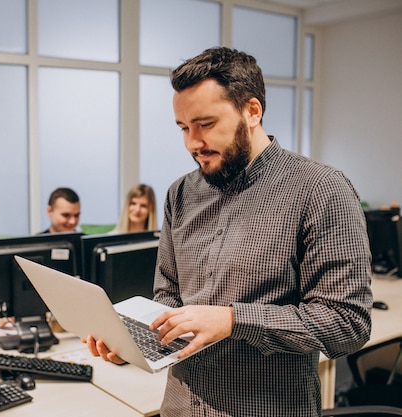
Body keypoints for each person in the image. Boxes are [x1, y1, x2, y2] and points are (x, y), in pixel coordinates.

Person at [85, 47, 372, 416]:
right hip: (180, 406)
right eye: (184, 128)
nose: (192, 143)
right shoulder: (181, 193)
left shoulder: (321, 189)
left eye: (205, 125)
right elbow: (170, 296)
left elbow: (348, 322)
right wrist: (134, 343)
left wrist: (234, 320)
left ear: (252, 112)